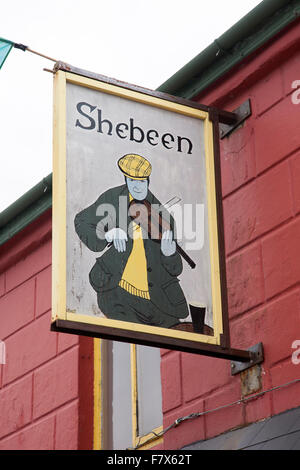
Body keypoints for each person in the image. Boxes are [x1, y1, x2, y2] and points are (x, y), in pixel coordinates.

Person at [74, 153, 189, 328]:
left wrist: (169, 254)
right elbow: (82, 221)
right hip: (118, 292)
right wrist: (107, 234)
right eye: (131, 181)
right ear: (126, 179)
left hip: (159, 300)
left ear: (148, 182)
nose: (136, 187)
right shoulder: (112, 199)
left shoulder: (162, 216)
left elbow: (175, 269)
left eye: (141, 182)